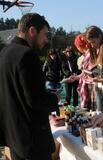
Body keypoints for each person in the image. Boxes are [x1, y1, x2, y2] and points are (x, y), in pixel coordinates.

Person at [0, 13, 59, 160]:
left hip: (13, 136)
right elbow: (35, 100)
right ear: (32, 31)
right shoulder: (27, 55)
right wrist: (54, 98)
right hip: (32, 140)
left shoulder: (4, 52)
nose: (46, 40)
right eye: (44, 34)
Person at [74, 33, 97, 110]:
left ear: (79, 46)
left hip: (92, 86)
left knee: (93, 111)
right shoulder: (88, 53)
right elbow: (85, 73)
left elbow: (91, 72)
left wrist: (78, 76)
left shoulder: (90, 54)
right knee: (91, 110)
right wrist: (76, 77)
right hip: (90, 85)